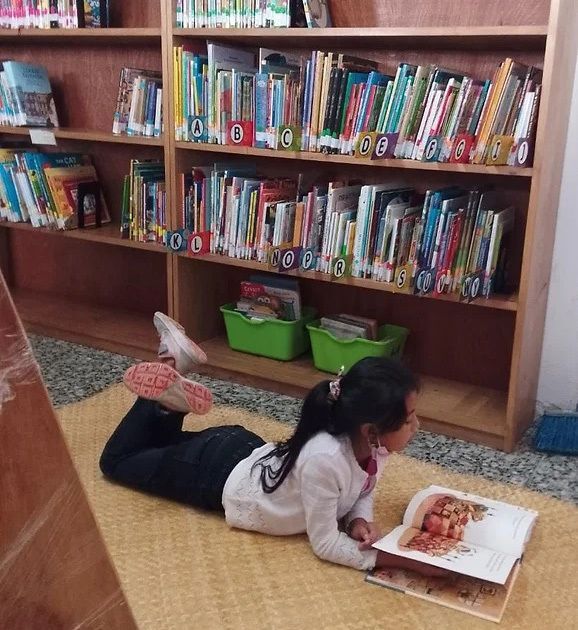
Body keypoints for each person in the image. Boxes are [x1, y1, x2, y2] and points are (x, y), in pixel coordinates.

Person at [100, 312, 444, 576]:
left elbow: (363, 488)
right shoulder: (326, 459)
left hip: (243, 452)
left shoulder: (372, 445)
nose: (417, 426)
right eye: (408, 419)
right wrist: (393, 560)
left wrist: (357, 521)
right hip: (215, 475)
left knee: (160, 448)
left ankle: (172, 386)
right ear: (371, 429)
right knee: (118, 460)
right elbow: (324, 543)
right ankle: (166, 383)